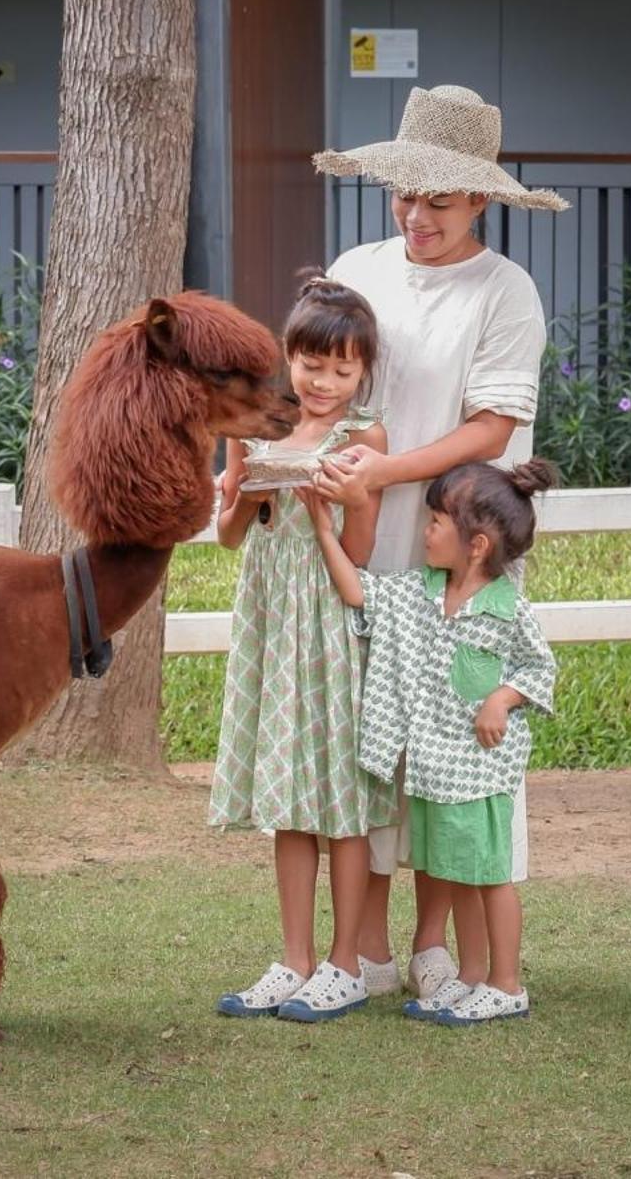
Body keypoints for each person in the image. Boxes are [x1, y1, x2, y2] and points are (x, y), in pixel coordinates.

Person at [308, 83, 568, 1002]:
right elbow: (325, 381)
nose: (417, 216)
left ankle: (444, 950)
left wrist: (389, 471)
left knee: (455, 748)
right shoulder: (359, 265)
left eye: (441, 201)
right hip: (363, 543)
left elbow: (493, 428)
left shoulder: (506, 293)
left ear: (482, 202)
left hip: (459, 552)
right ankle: (368, 946)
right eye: (406, 195)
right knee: (371, 741)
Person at [304, 459, 559, 1023]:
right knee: (457, 876)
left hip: (482, 771)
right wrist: (325, 529)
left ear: (477, 544)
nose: (426, 530)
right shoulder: (417, 596)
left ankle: (506, 983)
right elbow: (358, 593)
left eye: (438, 520)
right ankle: (471, 978)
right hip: (433, 772)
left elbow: (539, 670)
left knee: (490, 878)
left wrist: (501, 698)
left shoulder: (506, 609)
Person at [208, 278, 389, 1022]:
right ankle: (294, 958)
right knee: (288, 799)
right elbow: (225, 536)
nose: (325, 383)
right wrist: (245, 490)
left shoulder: (365, 440)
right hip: (271, 629)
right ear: (289, 357)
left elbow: (361, 551)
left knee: (340, 799)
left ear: (363, 374)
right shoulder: (254, 431)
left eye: (343, 371)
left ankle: (347, 964)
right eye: (313, 365)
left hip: (329, 628)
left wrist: (346, 503)